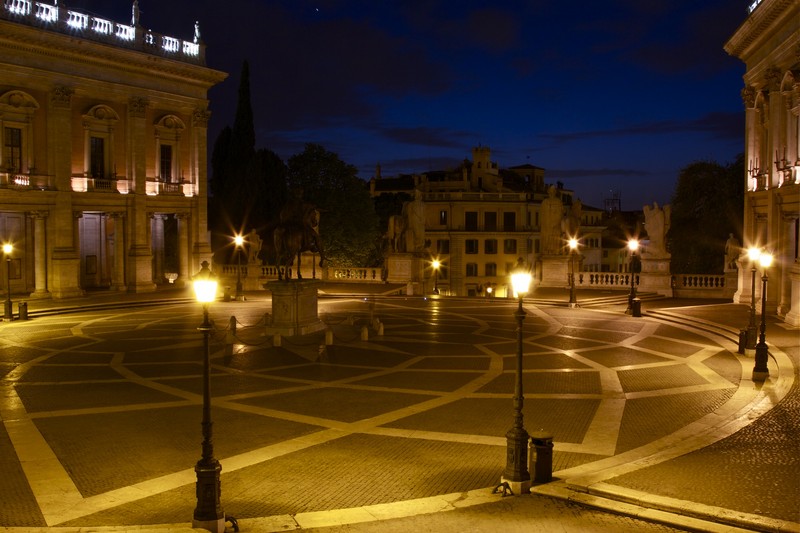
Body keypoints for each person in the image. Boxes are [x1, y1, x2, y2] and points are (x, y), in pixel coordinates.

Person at [540, 186, 563, 255]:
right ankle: (547, 250)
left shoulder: (558, 202)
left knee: (555, 238)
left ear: (555, 192)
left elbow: (560, 214)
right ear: (548, 192)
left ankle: (555, 250)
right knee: (547, 237)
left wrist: (556, 222)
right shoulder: (545, 202)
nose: (552, 193)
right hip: (547, 224)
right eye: (550, 191)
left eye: (553, 191)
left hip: (556, 224)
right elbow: (542, 214)